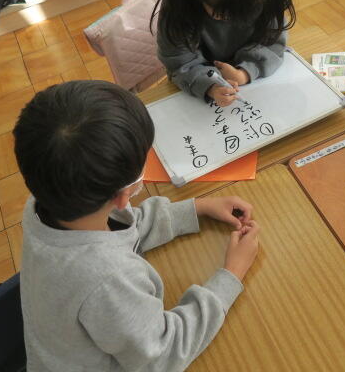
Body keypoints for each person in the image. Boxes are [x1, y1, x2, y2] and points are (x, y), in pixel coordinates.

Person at [14, 80, 260, 370]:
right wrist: (232, 274)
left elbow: (120, 227)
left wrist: (197, 208)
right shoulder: (108, 279)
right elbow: (163, 353)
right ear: (124, 194)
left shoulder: (47, 198)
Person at [153, 0, 296, 106]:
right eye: (223, 14)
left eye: (245, 12)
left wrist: (245, 72)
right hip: (198, 79)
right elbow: (179, 64)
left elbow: (273, 42)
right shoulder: (178, 5)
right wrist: (210, 86)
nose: (233, 19)